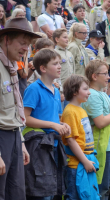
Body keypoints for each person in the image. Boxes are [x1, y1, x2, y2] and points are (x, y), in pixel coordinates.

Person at [23, 48, 70, 199]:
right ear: (42, 68)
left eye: (59, 63)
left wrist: (62, 124)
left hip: (54, 145)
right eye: (55, 63)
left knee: (54, 191)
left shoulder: (56, 91)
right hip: (38, 147)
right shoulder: (34, 89)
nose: (60, 66)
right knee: (41, 192)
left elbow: (55, 116)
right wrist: (52, 125)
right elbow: (25, 118)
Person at [0, 17, 39, 200]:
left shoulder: (12, 65)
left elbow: (13, 109)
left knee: (16, 193)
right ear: (6, 39)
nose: (26, 49)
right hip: (1, 139)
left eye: (28, 45)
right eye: (22, 43)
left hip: (14, 135)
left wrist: (21, 142)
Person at [82, 60, 110, 199]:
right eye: (105, 74)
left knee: (107, 184)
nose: (108, 77)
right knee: (100, 186)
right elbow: (100, 122)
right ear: (94, 76)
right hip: (101, 146)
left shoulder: (103, 94)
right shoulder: (92, 95)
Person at [61, 75, 100, 200]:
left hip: (85, 161)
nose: (89, 92)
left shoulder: (81, 109)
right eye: (85, 89)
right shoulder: (70, 111)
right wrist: (85, 161)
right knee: (75, 196)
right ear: (74, 91)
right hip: (76, 165)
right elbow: (71, 140)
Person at [53, 28, 75, 108]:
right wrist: (60, 91)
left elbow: (73, 72)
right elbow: (54, 75)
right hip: (60, 91)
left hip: (71, 89)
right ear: (57, 39)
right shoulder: (54, 53)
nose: (67, 39)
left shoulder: (69, 53)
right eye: (64, 37)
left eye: (67, 37)